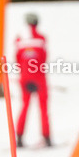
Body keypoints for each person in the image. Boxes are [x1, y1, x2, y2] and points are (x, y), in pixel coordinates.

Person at [14, 13, 51, 148]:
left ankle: (19, 137)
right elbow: (43, 59)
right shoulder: (41, 39)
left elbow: (17, 59)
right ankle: (47, 138)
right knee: (43, 108)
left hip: (24, 78)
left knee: (24, 106)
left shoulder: (19, 39)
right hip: (39, 78)